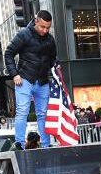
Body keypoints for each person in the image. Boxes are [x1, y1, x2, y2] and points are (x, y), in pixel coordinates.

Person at [4, 9, 59, 149]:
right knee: (22, 111)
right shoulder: (24, 34)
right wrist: (14, 74)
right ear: (36, 21)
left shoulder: (50, 40)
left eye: (48, 27)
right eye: (42, 27)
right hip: (24, 79)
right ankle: (20, 144)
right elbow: (9, 53)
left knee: (43, 114)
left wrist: (56, 66)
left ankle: (46, 145)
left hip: (42, 81)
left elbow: (53, 59)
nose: (45, 30)